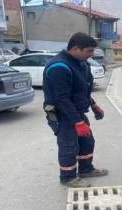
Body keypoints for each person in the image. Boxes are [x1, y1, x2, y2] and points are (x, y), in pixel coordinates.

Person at [43, 32, 107, 188]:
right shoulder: (59, 67)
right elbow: (62, 99)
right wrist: (78, 122)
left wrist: (93, 104)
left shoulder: (81, 63)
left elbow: (80, 90)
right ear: (76, 49)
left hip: (76, 112)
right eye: (89, 51)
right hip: (62, 114)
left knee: (86, 141)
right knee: (69, 145)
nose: (91, 55)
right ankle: (67, 177)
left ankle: (85, 169)